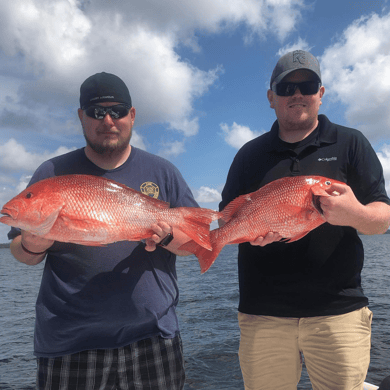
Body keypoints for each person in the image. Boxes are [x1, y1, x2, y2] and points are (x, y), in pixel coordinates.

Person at [8, 72, 198, 389]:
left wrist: (165, 236)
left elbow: (192, 243)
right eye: (96, 112)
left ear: (132, 115)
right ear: (81, 116)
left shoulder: (163, 171)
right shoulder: (51, 172)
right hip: (69, 344)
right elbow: (19, 250)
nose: (107, 120)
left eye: (118, 110)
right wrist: (31, 243)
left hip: (153, 338)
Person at [219, 50, 390, 390]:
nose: (297, 94)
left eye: (307, 85)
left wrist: (354, 213)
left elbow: (382, 219)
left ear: (321, 94)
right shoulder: (249, 154)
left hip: (338, 313)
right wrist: (243, 235)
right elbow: (228, 220)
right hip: (262, 314)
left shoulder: (351, 142)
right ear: (271, 98)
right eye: (286, 88)